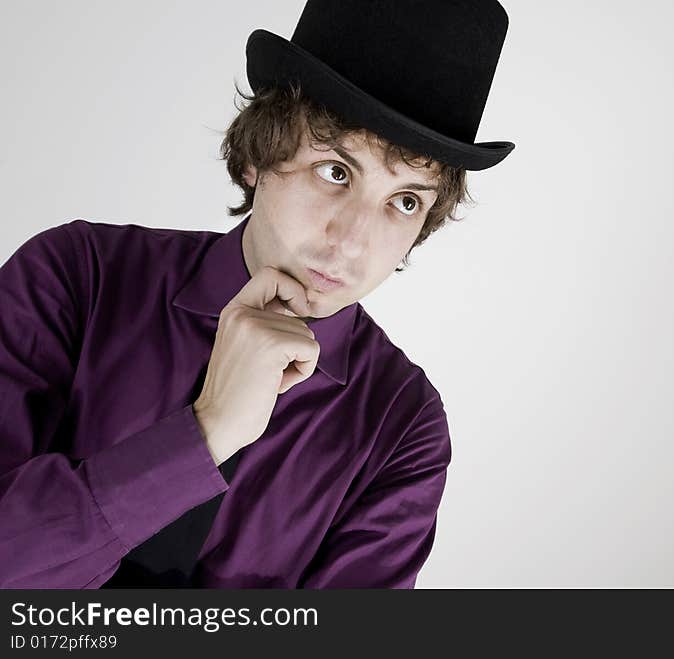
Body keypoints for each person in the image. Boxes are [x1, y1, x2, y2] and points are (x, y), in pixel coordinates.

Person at [0, 0, 514, 588]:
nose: (351, 242)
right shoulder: (75, 276)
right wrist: (207, 431)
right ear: (257, 157)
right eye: (335, 171)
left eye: (405, 202)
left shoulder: (401, 427)